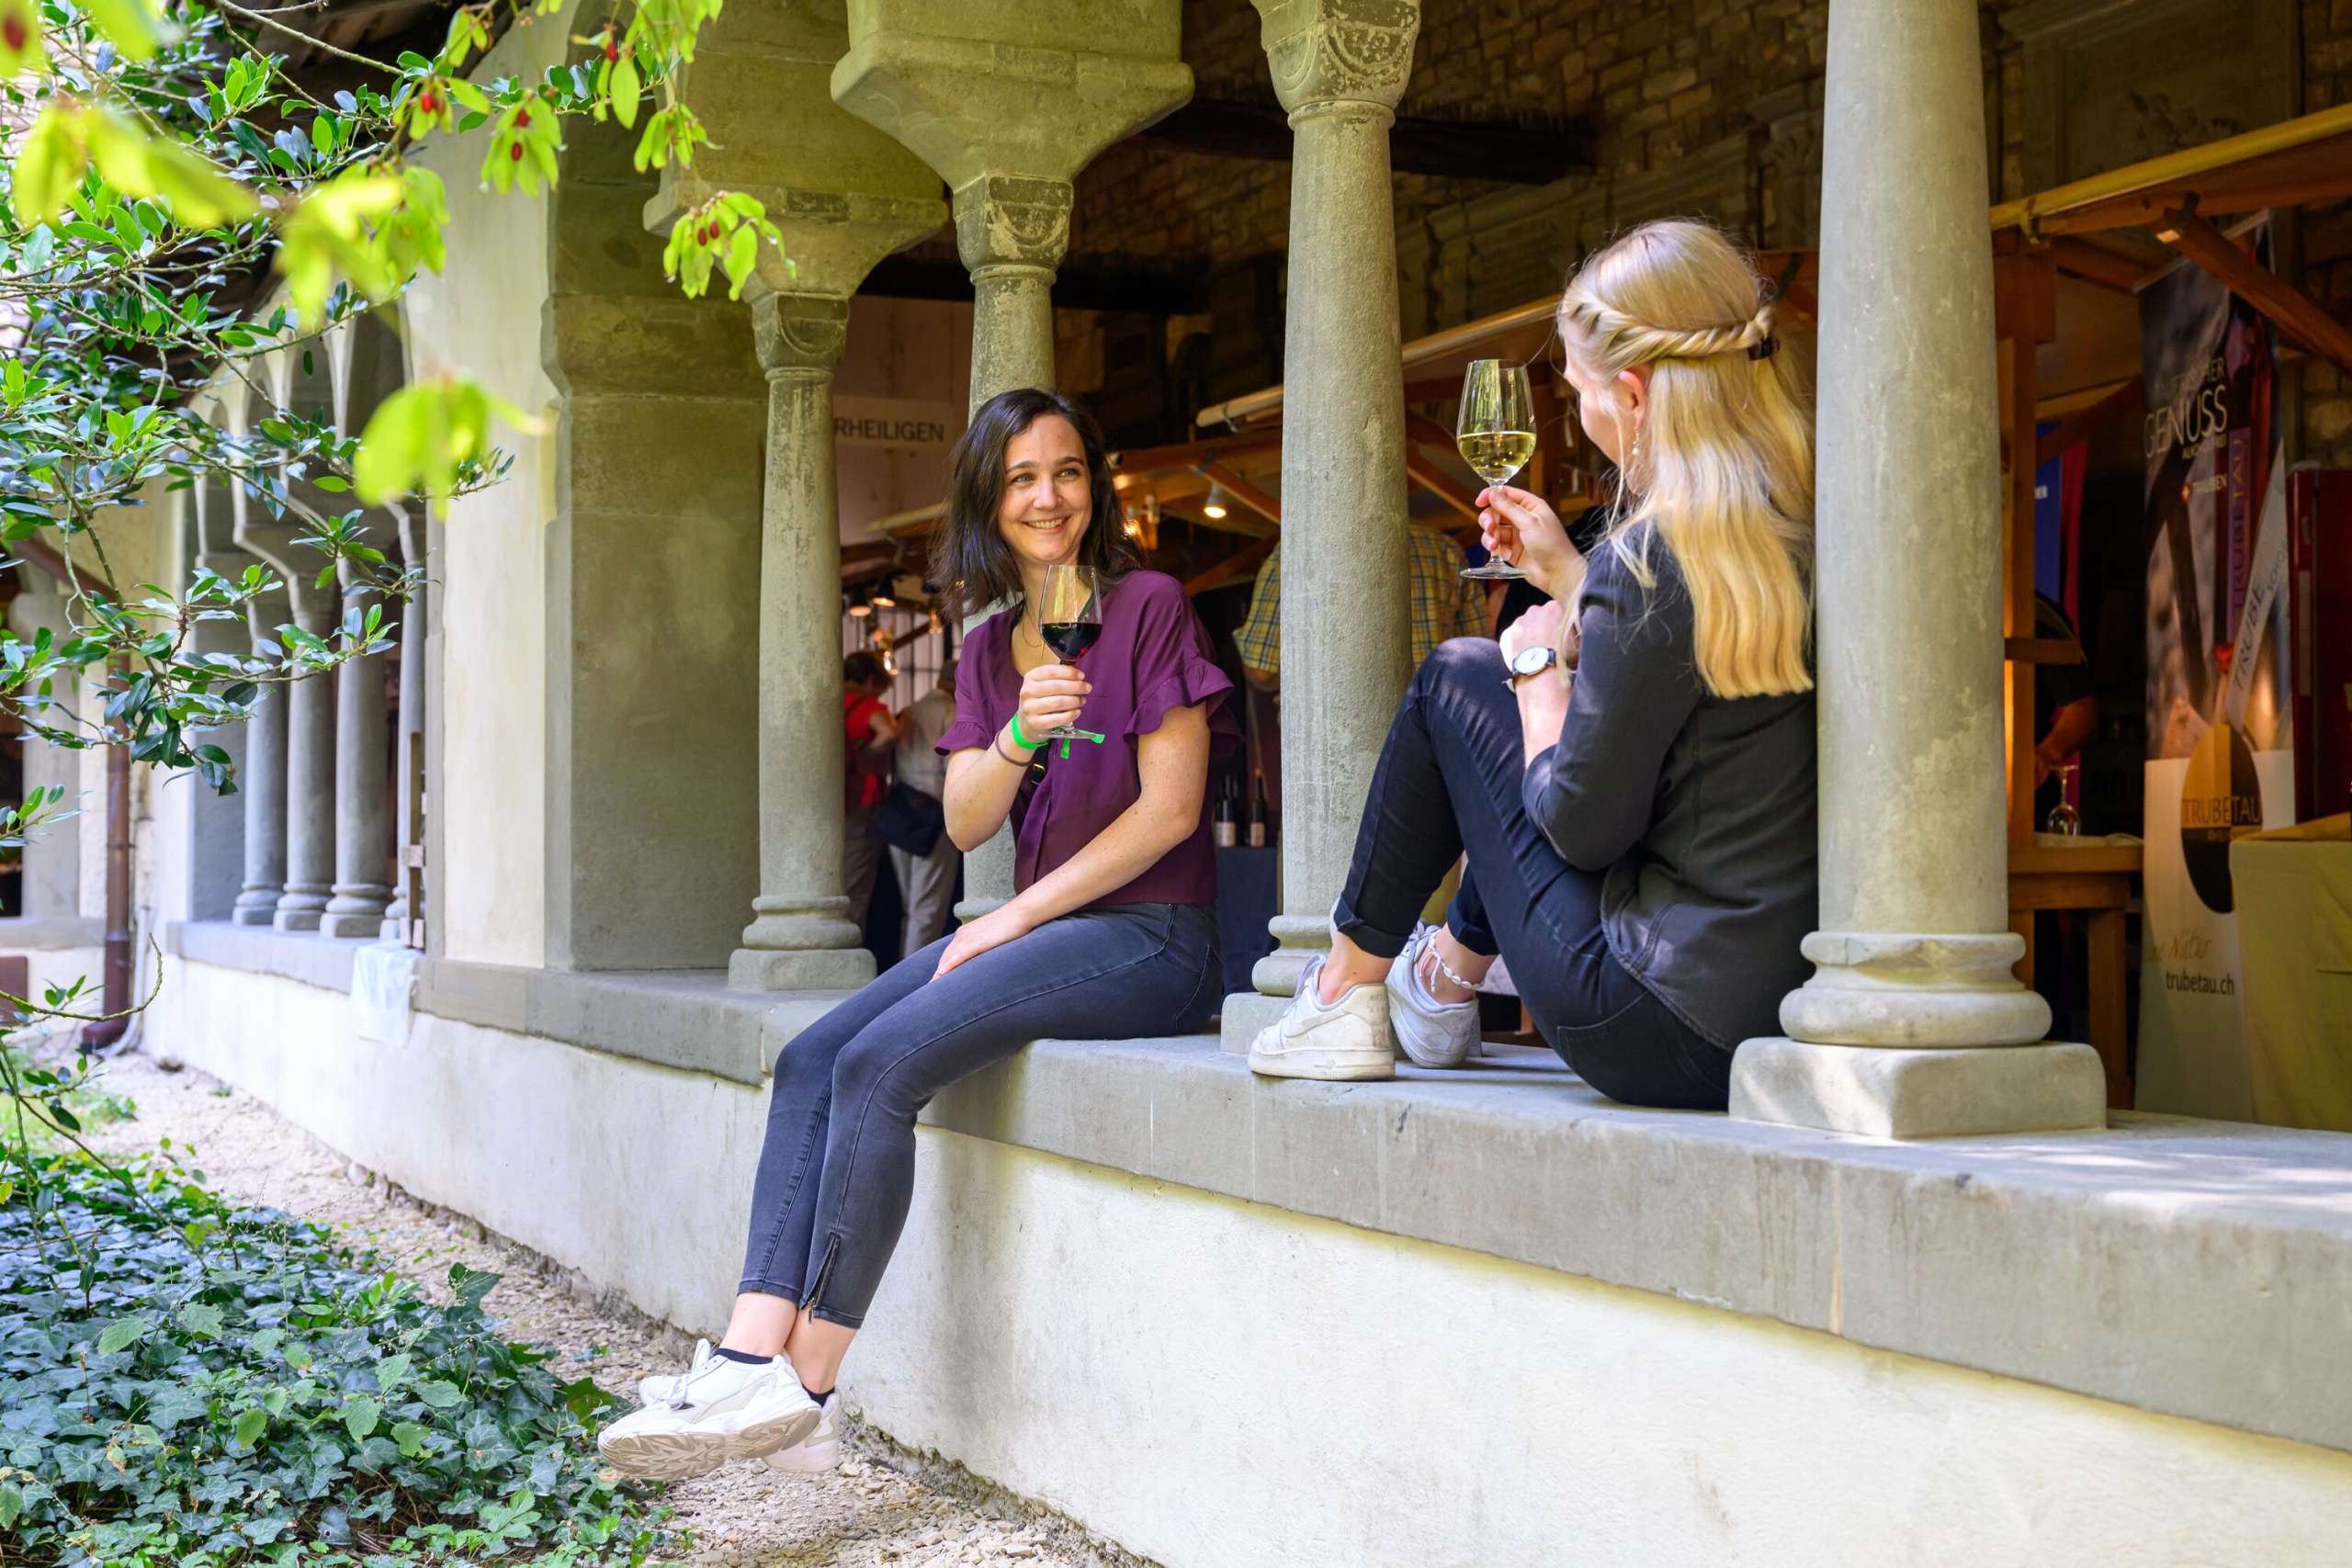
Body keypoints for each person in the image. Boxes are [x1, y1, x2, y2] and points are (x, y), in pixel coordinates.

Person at [597, 388, 1232, 1479]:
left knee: (880, 1062)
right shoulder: (985, 650)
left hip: (1152, 937)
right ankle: (749, 1353)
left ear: (1095, 485)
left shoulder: (1150, 606)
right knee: (813, 1057)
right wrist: (1022, 731)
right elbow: (967, 820)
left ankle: (807, 1385)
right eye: (1022, 477)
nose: (1049, 496)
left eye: (1068, 471)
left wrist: (1011, 917)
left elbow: (1170, 814)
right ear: (990, 499)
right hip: (1046, 931)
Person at [1249, 219, 1819, 1109]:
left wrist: (1536, 676)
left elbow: (1584, 827)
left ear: (1631, 395)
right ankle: (1440, 981)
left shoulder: (1655, 557)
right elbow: (1675, 680)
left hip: (1651, 1021)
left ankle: (1343, 992)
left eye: (1579, 392)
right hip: (1780, 1010)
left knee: (1456, 677)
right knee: (1496, 706)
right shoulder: (1797, 530)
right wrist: (1573, 578)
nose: (1579, 415)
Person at [1233, 527, 1490, 688]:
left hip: (1334, 739)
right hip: (1433, 730)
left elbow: (1260, 669)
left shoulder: (1297, 552)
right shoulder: (1443, 549)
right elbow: (1478, 661)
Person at [890, 660, 961, 953]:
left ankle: (903, 966)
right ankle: (916, 974)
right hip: (933, 810)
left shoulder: (910, 710)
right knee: (928, 905)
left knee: (910, 905)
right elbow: (953, 764)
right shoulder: (951, 710)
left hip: (901, 808)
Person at [841, 650, 898, 932]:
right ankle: (849, 937)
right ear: (871, 680)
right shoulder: (868, 707)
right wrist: (868, 754)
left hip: (832, 799)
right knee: (857, 878)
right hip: (864, 795)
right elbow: (889, 733)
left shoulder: (828, 702)